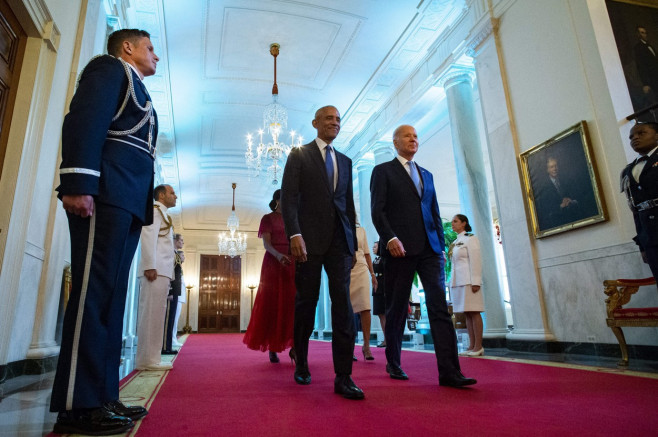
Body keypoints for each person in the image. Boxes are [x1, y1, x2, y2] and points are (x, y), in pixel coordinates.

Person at [50, 28, 158, 435]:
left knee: (111, 300)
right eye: (150, 48)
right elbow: (86, 120)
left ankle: (103, 395)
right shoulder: (108, 68)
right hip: (106, 192)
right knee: (94, 294)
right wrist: (78, 182)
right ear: (127, 47)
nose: (156, 56)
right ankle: (79, 404)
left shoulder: (136, 85)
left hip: (125, 201)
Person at [370, 124, 476, 388]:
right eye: (407, 136)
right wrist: (390, 238)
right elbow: (377, 211)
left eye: (416, 136)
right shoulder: (382, 171)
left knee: (440, 308)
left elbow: (434, 210)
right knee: (396, 309)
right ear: (395, 142)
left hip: (430, 250)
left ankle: (450, 371)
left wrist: (440, 245)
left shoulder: (426, 174)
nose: (413, 139)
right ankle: (393, 362)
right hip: (399, 249)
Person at [280, 105, 364, 400]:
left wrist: (353, 244)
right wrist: (295, 234)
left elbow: (348, 204)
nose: (335, 122)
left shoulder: (346, 160)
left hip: (340, 241)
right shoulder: (299, 154)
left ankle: (344, 376)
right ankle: (300, 359)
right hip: (308, 241)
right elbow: (289, 198)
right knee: (307, 301)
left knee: (343, 305)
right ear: (315, 123)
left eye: (338, 119)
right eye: (329, 118)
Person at [243, 189, 296, 363]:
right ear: (277, 200)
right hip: (274, 262)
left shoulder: (294, 218)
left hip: (292, 262)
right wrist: (279, 256)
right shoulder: (268, 218)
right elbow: (266, 244)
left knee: (293, 304)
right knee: (273, 304)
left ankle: (295, 346)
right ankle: (273, 346)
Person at [135, 184, 177, 371]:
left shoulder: (164, 213)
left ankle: (153, 357)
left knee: (157, 315)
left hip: (162, 271)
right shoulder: (155, 211)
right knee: (151, 315)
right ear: (161, 195)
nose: (175, 196)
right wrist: (149, 265)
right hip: (155, 270)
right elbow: (148, 237)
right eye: (172, 193)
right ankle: (147, 360)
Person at [621, 122, 658, 283]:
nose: (635, 138)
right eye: (631, 137)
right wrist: (642, 245)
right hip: (650, 238)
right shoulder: (628, 170)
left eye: (641, 133)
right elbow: (636, 209)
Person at [449, 214, 484, 356]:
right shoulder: (456, 241)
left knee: (474, 312)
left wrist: (476, 281)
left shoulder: (471, 239)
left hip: (470, 281)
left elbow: (475, 260)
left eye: (455, 221)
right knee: (467, 313)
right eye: (452, 222)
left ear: (464, 223)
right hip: (459, 282)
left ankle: (479, 346)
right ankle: (471, 345)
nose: (452, 224)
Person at [349, 222, 377, 360]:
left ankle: (366, 346)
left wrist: (372, 274)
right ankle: (350, 346)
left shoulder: (361, 230)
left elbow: (367, 254)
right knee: (348, 310)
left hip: (361, 268)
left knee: (365, 307)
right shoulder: (340, 227)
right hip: (346, 269)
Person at [535, 156, 581, 229]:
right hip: (556, 223)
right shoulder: (543, 187)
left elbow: (577, 194)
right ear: (547, 170)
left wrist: (571, 200)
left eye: (556, 166)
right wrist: (560, 206)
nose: (555, 169)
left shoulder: (565, 180)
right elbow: (544, 209)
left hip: (572, 218)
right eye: (551, 167)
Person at [163, 233, 185, 354]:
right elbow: (171, 273)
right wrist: (170, 290)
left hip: (176, 291)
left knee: (171, 319)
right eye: (181, 240)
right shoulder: (172, 254)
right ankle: (166, 347)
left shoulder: (176, 254)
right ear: (175, 241)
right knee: (168, 319)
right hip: (172, 291)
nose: (182, 242)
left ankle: (168, 345)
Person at [634, 26, 658, 105]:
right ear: (638, 35)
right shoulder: (638, 48)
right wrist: (646, 83)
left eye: (645, 32)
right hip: (652, 79)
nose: (644, 35)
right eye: (642, 32)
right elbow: (641, 66)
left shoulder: (650, 46)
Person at [372, 241, 387, 348]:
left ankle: (388, 338)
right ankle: (385, 337)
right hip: (376, 286)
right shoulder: (376, 259)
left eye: (375, 246)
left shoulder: (384, 258)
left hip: (383, 286)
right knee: (380, 314)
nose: (373, 248)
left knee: (385, 313)